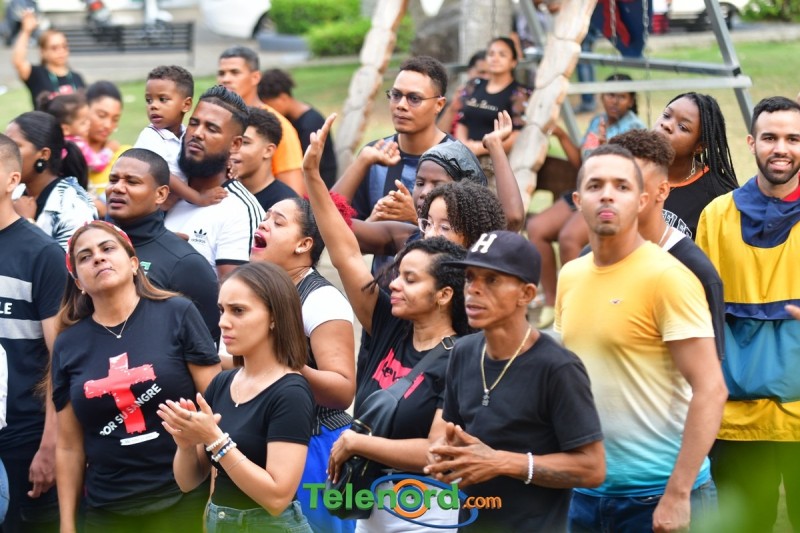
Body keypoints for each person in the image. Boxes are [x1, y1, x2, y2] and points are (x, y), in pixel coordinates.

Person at [308, 116, 469, 530]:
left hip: (423, 515)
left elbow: (436, 449)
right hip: (367, 510)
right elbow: (345, 252)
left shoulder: (465, 354)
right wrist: (312, 176)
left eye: (409, 280)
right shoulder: (389, 323)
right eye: (397, 274)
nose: (393, 284)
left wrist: (359, 442)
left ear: (444, 294)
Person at [556, 144, 727, 532]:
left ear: (643, 200)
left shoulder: (669, 277)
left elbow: (712, 389)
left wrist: (678, 494)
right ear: (578, 201)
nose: (608, 195)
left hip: (659, 495)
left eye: (622, 186)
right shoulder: (571, 275)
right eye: (596, 185)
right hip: (586, 492)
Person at [424, 230, 605, 531]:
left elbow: (593, 468)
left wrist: (501, 462)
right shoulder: (463, 352)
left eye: (491, 280)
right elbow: (453, 436)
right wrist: (444, 456)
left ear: (527, 294)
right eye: (470, 277)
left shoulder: (557, 368)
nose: (474, 289)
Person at [52, 221, 221, 533]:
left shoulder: (178, 313)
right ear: (78, 282)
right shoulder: (68, 344)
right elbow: (68, 447)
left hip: (183, 499)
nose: (98, 258)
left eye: (107, 248)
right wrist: (66, 524)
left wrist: (213, 502)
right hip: (106, 509)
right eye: (85, 257)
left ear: (133, 264)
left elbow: (217, 412)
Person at [696, 96, 800, 533]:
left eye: (793, 138)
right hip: (736, 421)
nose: (782, 148)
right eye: (770, 137)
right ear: (751, 143)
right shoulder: (717, 216)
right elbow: (697, 314)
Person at [158, 262, 314, 533]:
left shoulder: (291, 392)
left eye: (238, 311)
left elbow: (277, 499)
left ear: (274, 317)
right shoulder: (222, 383)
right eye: (222, 310)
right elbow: (188, 482)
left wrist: (215, 439)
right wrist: (186, 445)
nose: (223, 322)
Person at [250, 195, 356, 533]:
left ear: (304, 244)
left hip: (316, 447)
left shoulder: (321, 299)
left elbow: (342, 390)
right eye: (266, 216)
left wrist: (285, 364)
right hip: (259, 442)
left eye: (278, 221)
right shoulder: (251, 290)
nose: (264, 223)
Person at [527, 73, 645, 328]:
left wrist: (606, 149)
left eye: (622, 96)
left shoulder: (635, 128)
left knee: (569, 238)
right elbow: (579, 162)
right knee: (536, 228)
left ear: (631, 100)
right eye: (610, 95)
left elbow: (631, 173)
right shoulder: (596, 121)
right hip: (582, 190)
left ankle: (579, 306)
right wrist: (560, 135)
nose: (614, 101)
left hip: (607, 196)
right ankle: (552, 300)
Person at [609, 129, 725, 361]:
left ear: (662, 190)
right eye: (601, 183)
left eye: (628, 184)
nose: (610, 195)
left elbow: (709, 372)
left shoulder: (696, 273)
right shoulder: (585, 263)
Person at [332, 56, 453, 274]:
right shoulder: (373, 155)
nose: (401, 105)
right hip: (382, 288)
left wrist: (415, 219)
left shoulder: (458, 160)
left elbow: (468, 245)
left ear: (439, 104)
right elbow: (331, 227)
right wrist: (372, 224)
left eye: (414, 98)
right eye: (396, 95)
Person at [0, 133, 66, 533]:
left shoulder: (41, 254)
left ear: (13, 180)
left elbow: (61, 358)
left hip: (22, 437)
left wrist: (50, 443)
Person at [106, 148, 221, 343]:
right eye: (113, 180)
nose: (117, 188)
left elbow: (206, 344)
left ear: (160, 194)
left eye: (132, 182)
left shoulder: (184, 263)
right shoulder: (90, 249)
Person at [164, 85, 265, 279]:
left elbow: (235, 293)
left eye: (212, 129)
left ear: (235, 144)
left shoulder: (240, 212)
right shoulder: (161, 186)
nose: (197, 133)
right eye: (194, 123)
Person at [135, 65, 226, 210]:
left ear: (186, 104)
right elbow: (165, 175)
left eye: (162, 99)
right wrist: (198, 198)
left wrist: (227, 164)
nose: (153, 106)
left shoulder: (187, 134)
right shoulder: (150, 136)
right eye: (149, 100)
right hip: (147, 211)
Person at [217, 46, 304, 194]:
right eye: (221, 73)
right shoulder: (217, 119)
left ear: (255, 77)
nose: (226, 79)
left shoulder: (277, 125)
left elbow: (293, 192)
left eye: (235, 72)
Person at [6, 110, 95, 250]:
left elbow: (68, 261)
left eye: (15, 147)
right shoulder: (14, 192)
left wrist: (26, 224)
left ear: (43, 154)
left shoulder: (73, 205)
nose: (5, 154)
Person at [655, 92, 738, 238]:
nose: (666, 125)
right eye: (666, 115)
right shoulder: (629, 171)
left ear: (700, 146)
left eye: (682, 127)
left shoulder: (717, 197)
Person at [455, 37, 532, 184]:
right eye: (491, 54)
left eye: (502, 55)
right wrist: (463, 145)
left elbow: (518, 134)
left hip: (496, 164)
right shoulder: (474, 84)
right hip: (465, 158)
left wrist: (481, 148)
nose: (495, 58)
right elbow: (462, 120)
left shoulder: (520, 93)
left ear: (513, 62)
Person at [258, 68, 338, 188]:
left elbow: (309, 166)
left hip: (318, 185)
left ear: (283, 98)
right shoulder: (293, 118)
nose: (268, 110)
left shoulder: (310, 123)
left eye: (269, 105)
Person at [12, 11, 85, 109]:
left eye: (64, 46)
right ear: (43, 51)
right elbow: (18, 62)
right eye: (54, 48)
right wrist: (26, 31)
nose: (61, 51)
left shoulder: (76, 77)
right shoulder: (36, 74)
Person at [232, 106, 298, 211]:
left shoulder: (284, 205)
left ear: (268, 151)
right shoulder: (219, 194)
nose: (233, 148)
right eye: (232, 141)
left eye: (245, 142)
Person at [85, 81, 130, 214]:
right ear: (84, 110)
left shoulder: (125, 155)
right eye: (101, 115)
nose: (108, 125)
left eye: (115, 119)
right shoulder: (70, 153)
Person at [436, 50, 488, 135]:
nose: (486, 78)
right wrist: (452, 108)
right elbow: (439, 136)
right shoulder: (460, 98)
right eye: (482, 72)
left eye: (491, 74)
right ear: (469, 72)